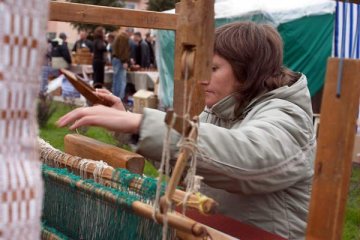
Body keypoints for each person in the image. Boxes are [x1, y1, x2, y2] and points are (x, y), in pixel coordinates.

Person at [57, 22, 315, 240]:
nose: (202, 78)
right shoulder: (219, 110)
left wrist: (141, 123)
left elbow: (250, 156)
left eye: (212, 69)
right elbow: (187, 158)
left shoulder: (286, 114)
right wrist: (127, 122)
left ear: (247, 72)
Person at [111, 31, 130, 99]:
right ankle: (119, 99)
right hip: (120, 61)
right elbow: (123, 50)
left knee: (115, 80)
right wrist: (124, 61)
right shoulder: (123, 38)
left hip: (115, 59)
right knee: (121, 81)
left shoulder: (117, 37)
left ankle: (114, 98)